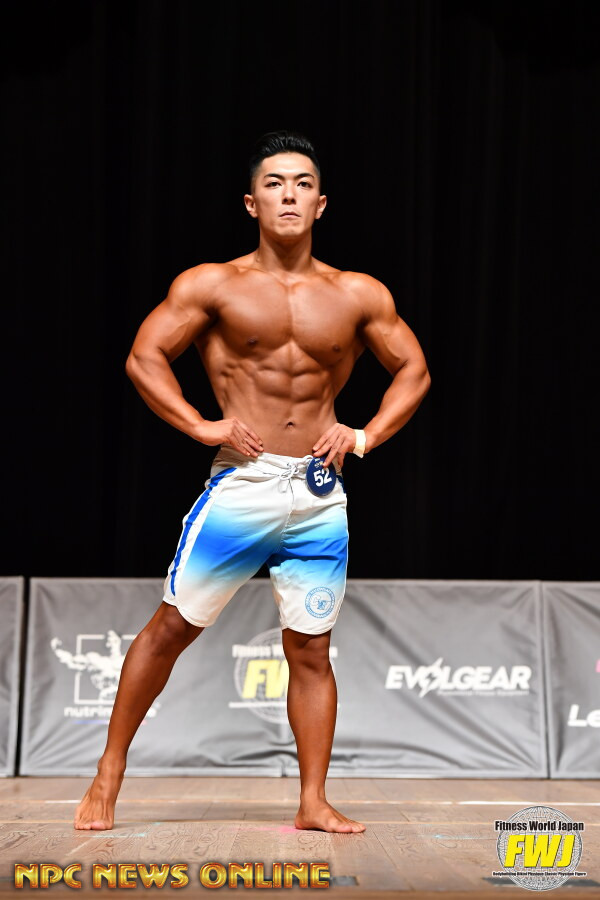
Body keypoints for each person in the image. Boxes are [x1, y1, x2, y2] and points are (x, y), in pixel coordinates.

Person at [74, 130, 431, 834]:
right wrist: (199, 425)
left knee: (311, 649)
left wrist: (363, 436)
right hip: (244, 482)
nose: (288, 195)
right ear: (251, 202)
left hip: (320, 492)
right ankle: (109, 770)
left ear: (320, 203)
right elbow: (145, 356)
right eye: (274, 183)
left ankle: (313, 801)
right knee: (172, 628)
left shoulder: (357, 293)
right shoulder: (212, 284)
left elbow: (414, 370)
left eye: (302, 184)